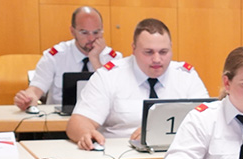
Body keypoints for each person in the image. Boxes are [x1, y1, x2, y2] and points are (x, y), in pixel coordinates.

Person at [67, 18, 208, 150]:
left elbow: (207, 120)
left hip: (177, 156)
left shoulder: (186, 76)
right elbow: (78, 122)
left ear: (171, 48)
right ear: (133, 49)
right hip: (121, 158)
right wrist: (86, 134)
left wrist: (155, 132)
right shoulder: (109, 76)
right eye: (148, 52)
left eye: (163, 52)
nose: (157, 59)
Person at [14, 6, 122, 110]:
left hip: (100, 119)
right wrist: (27, 99)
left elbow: (116, 96)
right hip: (59, 119)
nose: (91, 38)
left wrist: (95, 60)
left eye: (96, 32)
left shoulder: (113, 58)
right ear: (72, 31)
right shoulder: (55, 56)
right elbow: (36, 89)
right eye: (84, 32)